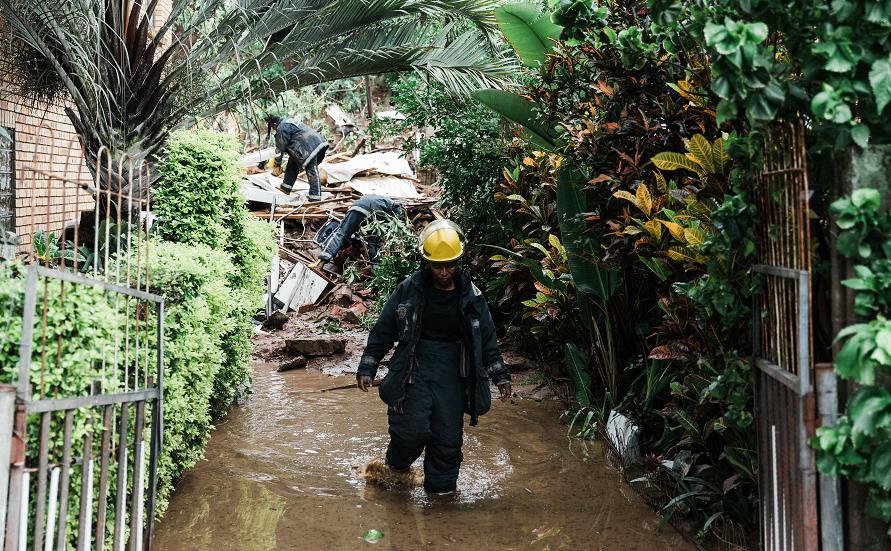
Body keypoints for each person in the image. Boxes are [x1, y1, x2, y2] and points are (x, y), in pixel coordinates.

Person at [356, 219, 511, 494]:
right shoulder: (409, 290)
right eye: (437, 265)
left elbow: (487, 339)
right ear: (426, 262)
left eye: (450, 264)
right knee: (410, 431)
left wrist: (500, 375)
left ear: (459, 261)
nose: (444, 271)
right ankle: (395, 470)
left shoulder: (472, 297)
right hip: (413, 368)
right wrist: (368, 365)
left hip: (453, 374)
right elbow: (384, 328)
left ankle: (441, 501)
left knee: (447, 441)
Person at [312, 194, 403, 269]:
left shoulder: (380, 198)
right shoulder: (396, 207)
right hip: (373, 210)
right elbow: (393, 226)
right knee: (374, 241)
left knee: (342, 233)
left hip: (356, 207)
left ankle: (322, 260)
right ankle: (377, 268)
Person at [266, 115, 329, 201]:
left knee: (311, 170)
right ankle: (286, 188)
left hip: (309, 147)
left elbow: (280, 149)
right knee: (292, 165)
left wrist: (277, 164)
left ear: (274, 124)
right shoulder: (287, 122)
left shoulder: (281, 128)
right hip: (310, 145)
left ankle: (315, 196)